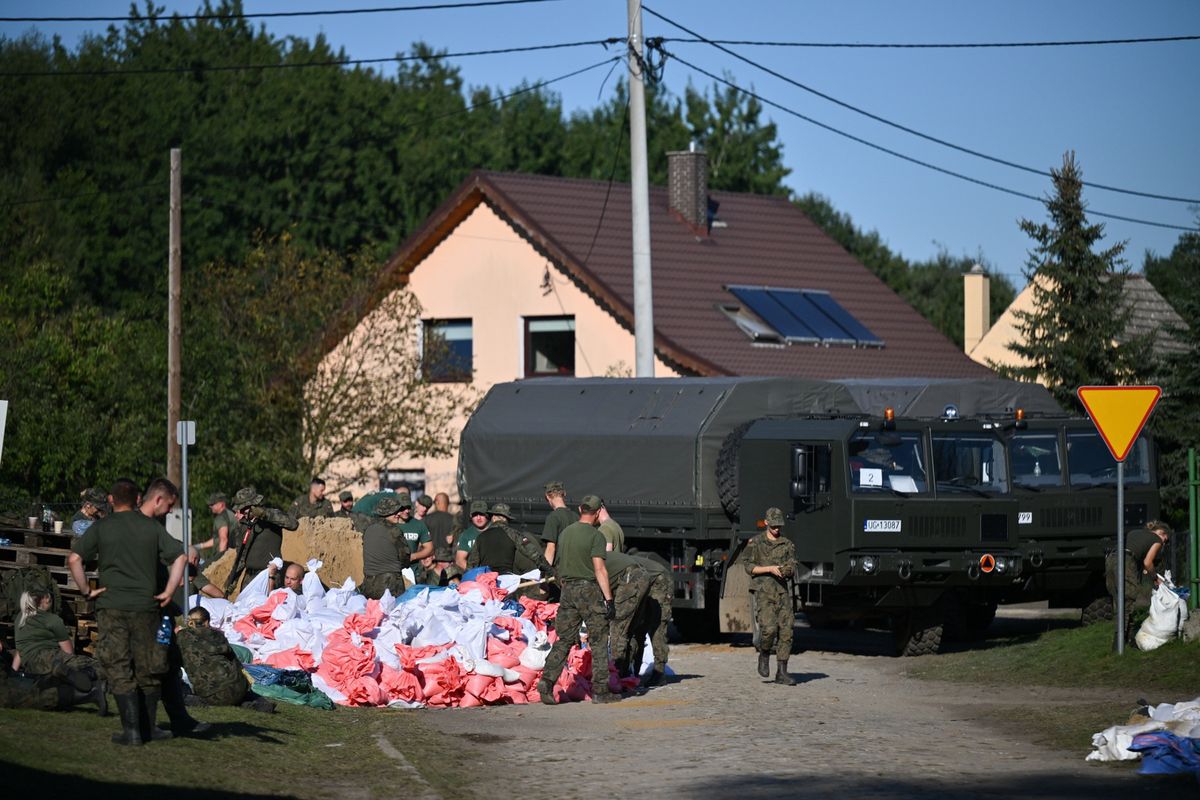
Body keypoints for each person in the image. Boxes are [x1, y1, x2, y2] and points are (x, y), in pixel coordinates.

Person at [68, 477, 187, 745]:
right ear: (136, 499)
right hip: (146, 608)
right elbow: (179, 556)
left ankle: (131, 731)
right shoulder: (150, 527)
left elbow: (74, 559)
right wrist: (168, 590)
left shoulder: (102, 526)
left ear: (111, 500)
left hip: (111, 607)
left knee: (119, 665)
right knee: (149, 666)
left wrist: (87, 589)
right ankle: (149, 728)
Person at [537, 495, 617, 705]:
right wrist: (609, 600)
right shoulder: (596, 536)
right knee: (598, 640)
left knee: (564, 640)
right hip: (588, 590)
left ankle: (546, 682)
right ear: (599, 512)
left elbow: (559, 563)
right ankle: (600, 690)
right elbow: (599, 569)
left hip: (568, 590)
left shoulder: (565, 533)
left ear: (581, 509)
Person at [12, 589, 108, 713]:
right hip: (51, 658)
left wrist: (13, 672)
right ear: (45, 600)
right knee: (104, 666)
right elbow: (68, 652)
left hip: (31, 666)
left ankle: (66, 677)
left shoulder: (20, 619)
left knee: (54, 686)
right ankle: (84, 675)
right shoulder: (52, 619)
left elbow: (20, 651)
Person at [176, 607, 273, 711]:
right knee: (236, 694)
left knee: (178, 690)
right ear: (207, 622)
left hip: (211, 694)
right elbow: (236, 663)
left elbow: (174, 662)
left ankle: (196, 701)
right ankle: (255, 704)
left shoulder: (182, 637)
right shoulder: (218, 636)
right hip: (238, 688)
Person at [744, 507, 797, 686]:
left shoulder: (787, 544)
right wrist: (770, 569)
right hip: (764, 592)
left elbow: (792, 565)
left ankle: (782, 672)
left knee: (787, 631)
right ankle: (764, 653)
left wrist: (786, 570)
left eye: (779, 527)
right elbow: (749, 567)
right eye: (773, 526)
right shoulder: (756, 543)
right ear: (766, 523)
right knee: (768, 629)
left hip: (782, 592)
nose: (776, 530)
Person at [1106, 520, 1173, 641]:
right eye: (1165, 540)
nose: (1164, 543)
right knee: (1128, 599)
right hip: (1126, 559)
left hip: (1111, 559)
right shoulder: (1157, 540)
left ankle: (1124, 637)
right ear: (1162, 533)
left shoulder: (1135, 533)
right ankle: (1120, 641)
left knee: (1118, 599)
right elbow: (1148, 563)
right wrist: (1155, 578)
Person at [225, 486, 299, 595]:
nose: (236, 514)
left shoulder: (270, 518)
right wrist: (233, 580)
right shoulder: (242, 526)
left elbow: (293, 524)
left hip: (270, 575)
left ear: (251, 507)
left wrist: (264, 514)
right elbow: (241, 556)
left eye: (239, 510)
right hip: (249, 577)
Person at [466, 503, 554, 580]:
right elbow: (534, 554)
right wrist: (550, 571)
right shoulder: (513, 534)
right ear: (506, 519)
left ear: (493, 518)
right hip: (506, 581)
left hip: (487, 582)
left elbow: (471, 565)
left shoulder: (480, 537)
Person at [601, 551, 652, 679]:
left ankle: (616, 674)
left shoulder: (588, 562)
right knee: (629, 629)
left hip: (632, 578)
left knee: (618, 629)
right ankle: (627, 672)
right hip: (640, 576)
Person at [627, 552, 672, 686]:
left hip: (660, 580)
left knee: (657, 627)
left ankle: (659, 672)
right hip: (644, 582)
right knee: (637, 627)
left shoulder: (616, 569)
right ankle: (633, 672)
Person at [361, 496, 411, 600]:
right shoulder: (394, 531)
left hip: (368, 584)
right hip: (390, 585)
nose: (398, 514)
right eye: (394, 511)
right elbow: (405, 557)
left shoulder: (368, 529)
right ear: (385, 513)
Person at [541, 481, 578, 564]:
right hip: (576, 566)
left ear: (548, 497)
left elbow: (551, 548)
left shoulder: (553, 517)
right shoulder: (576, 517)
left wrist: (545, 572)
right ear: (564, 494)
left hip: (561, 568)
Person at [395, 493, 434, 563]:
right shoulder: (389, 524)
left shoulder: (420, 524)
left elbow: (429, 548)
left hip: (413, 569)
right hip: (392, 569)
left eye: (408, 507)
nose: (407, 511)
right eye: (403, 508)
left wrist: (413, 556)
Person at [194, 492, 236, 556]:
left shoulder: (221, 518)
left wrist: (221, 558)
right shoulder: (231, 514)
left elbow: (223, 539)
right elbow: (218, 539)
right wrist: (199, 546)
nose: (210, 506)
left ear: (221, 504)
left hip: (226, 556)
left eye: (212, 504)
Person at [455, 501, 491, 572]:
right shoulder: (466, 534)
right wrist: (476, 573)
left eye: (481, 514)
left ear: (487, 515)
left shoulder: (496, 530)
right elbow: (460, 560)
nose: (478, 518)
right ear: (471, 516)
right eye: (475, 515)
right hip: (475, 576)